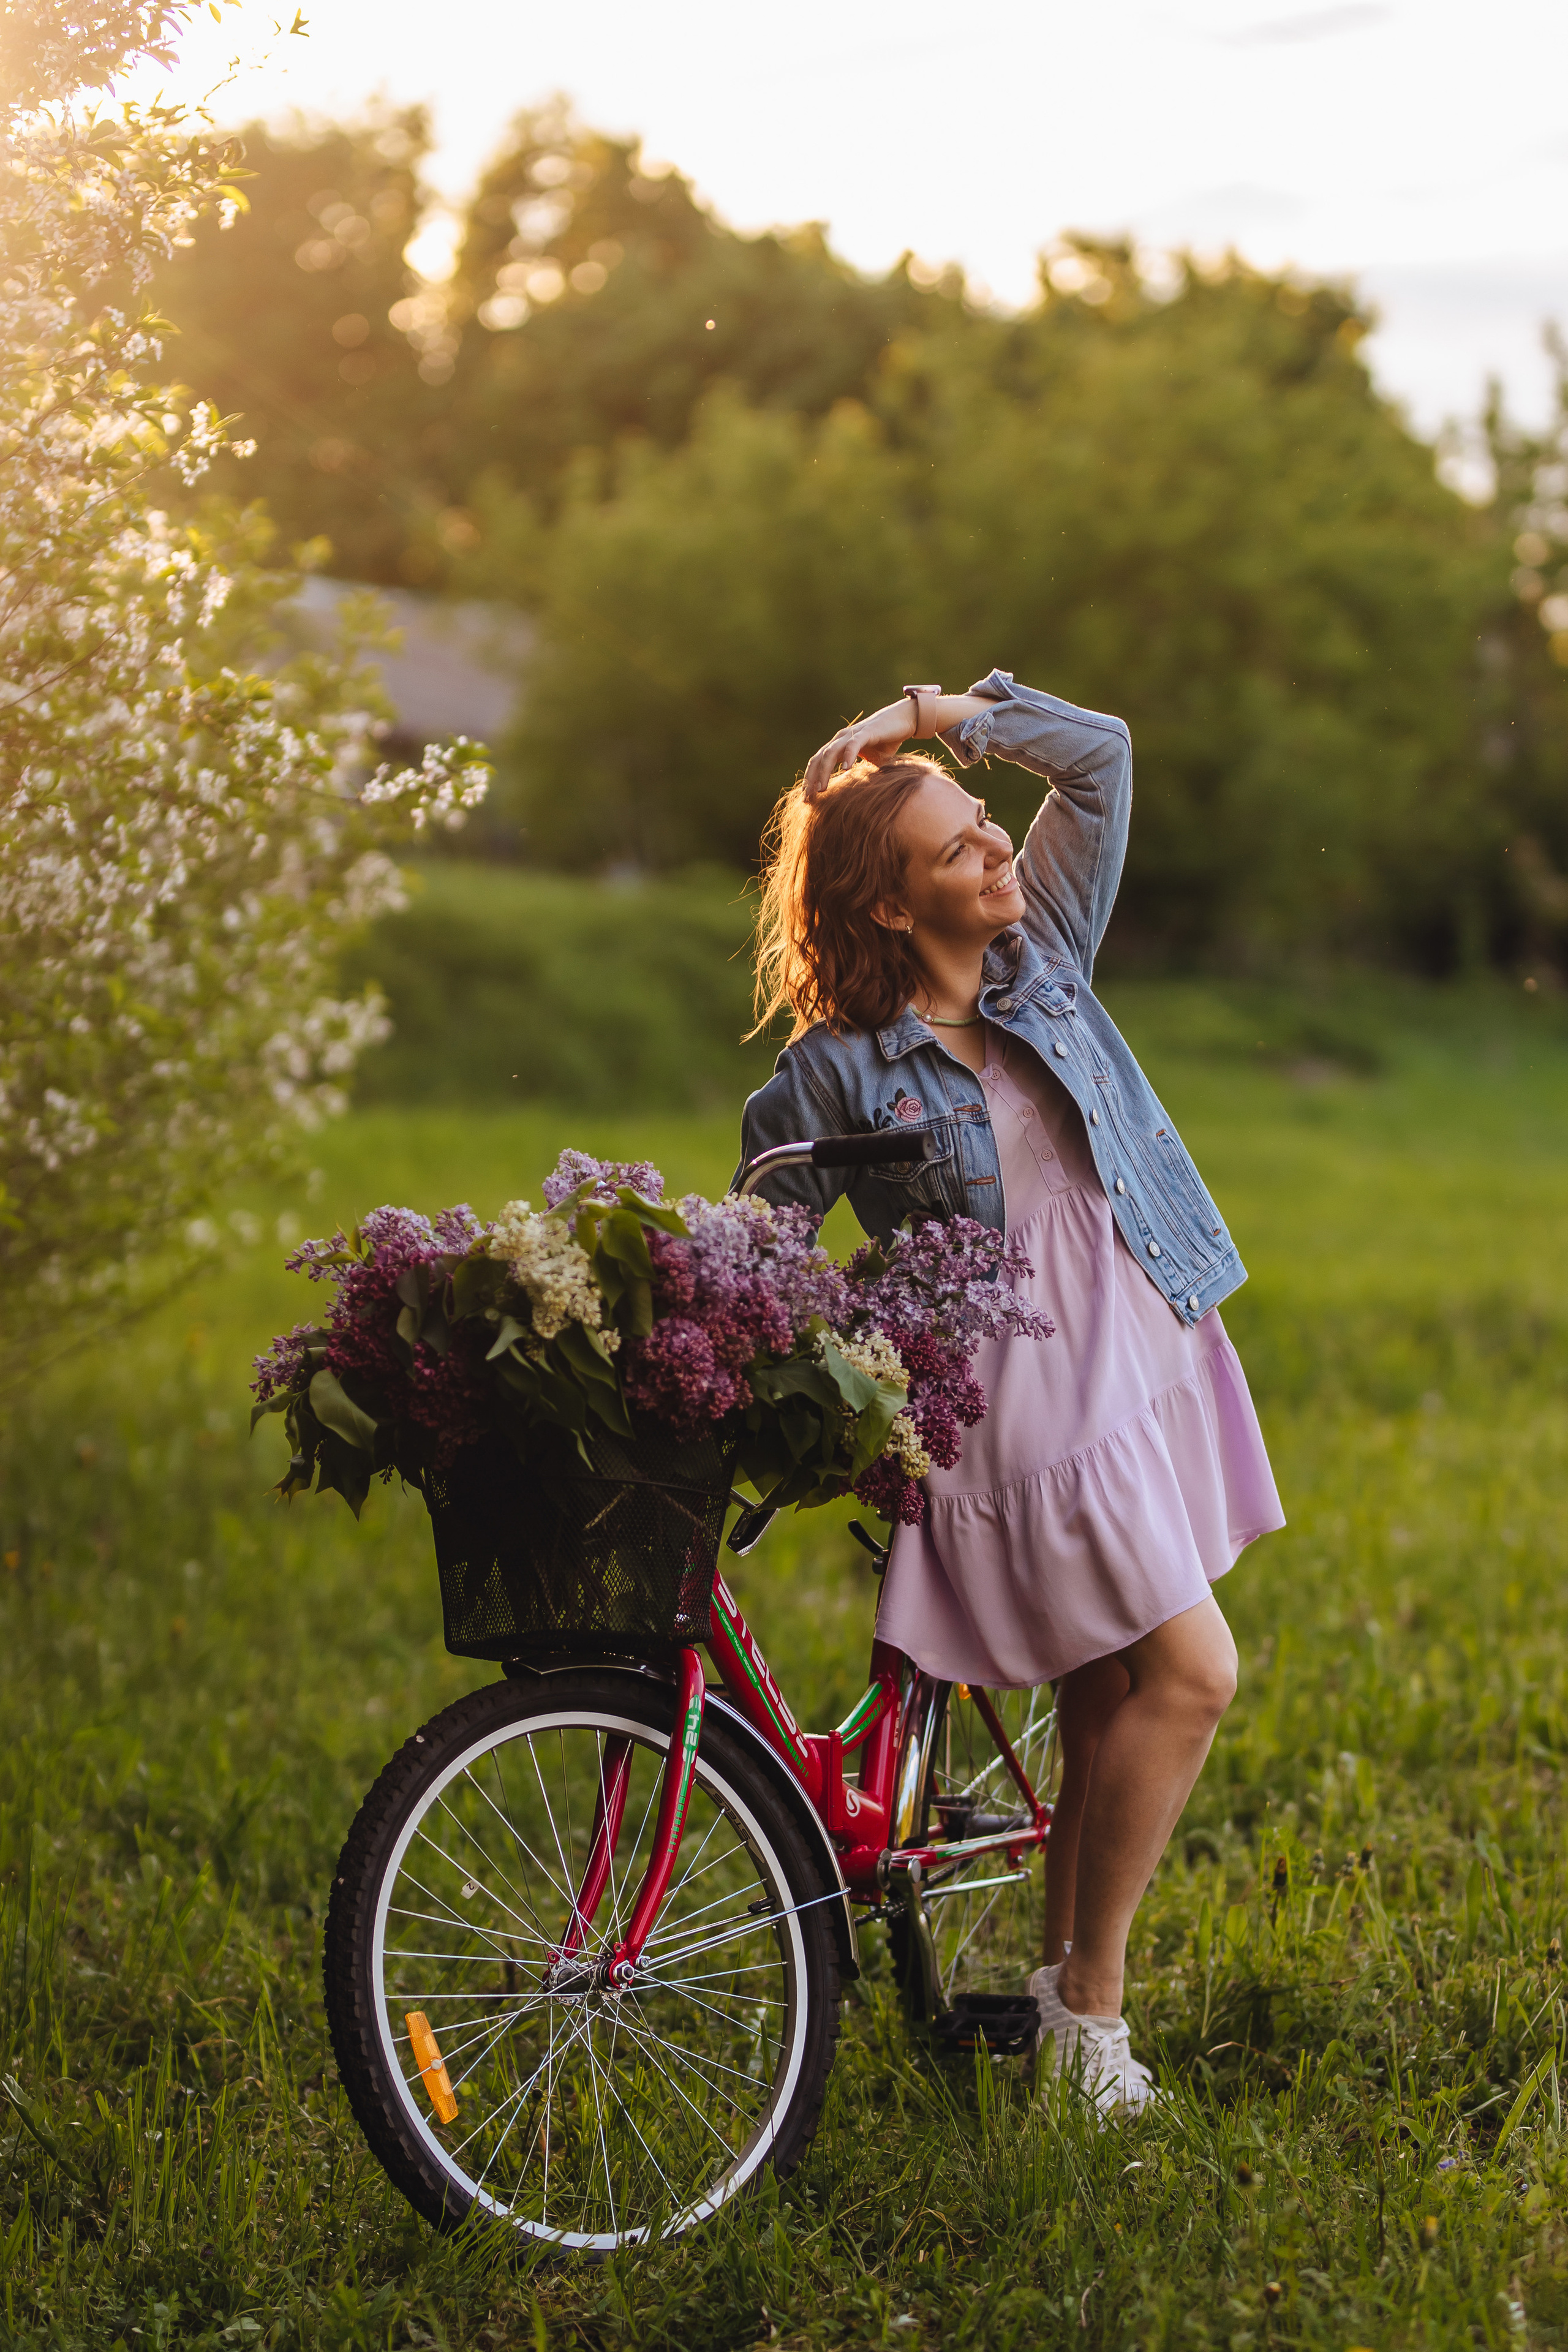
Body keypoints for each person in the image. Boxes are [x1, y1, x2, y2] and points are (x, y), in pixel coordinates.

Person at [736, 672, 1284, 2116]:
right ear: (890, 906)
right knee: (1190, 1674)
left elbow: (1098, 757)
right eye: (956, 848)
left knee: (1110, 1689)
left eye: (986, 827)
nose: (994, 851)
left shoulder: (1039, 957)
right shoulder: (831, 1072)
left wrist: (923, 718)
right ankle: (1090, 2020)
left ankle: (1056, 2005)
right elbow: (763, 1247)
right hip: (1014, 1404)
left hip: (1135, 1344)